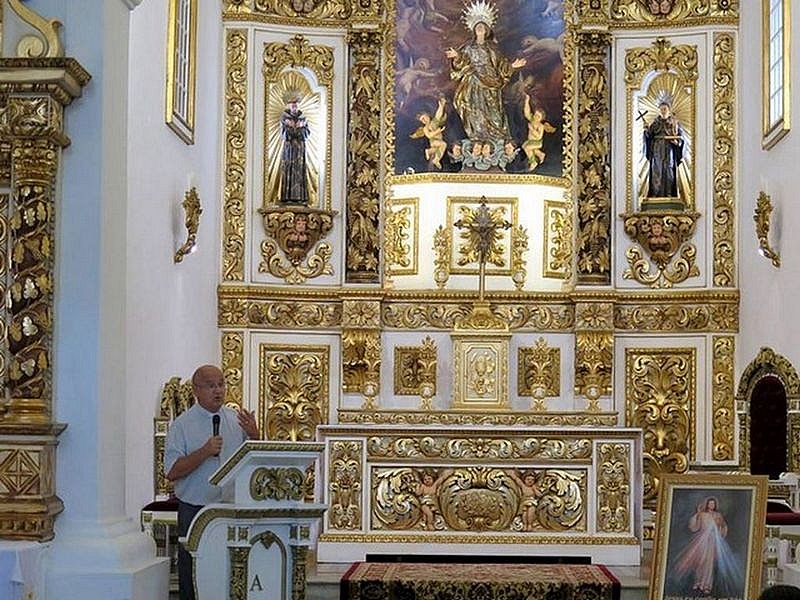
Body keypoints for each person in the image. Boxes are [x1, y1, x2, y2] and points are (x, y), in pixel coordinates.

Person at [165, 364, 259, 600]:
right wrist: (204, 452)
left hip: (230, 507)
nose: (218, 390)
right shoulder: (182, 425)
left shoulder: (235, 420)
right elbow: (172, 471)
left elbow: (256, 460)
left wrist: (255, 435)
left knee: (228, 568)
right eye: (211, 386)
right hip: (195, 508)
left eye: (221, 384)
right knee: (193, 570)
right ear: (196, 390)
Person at [445, 13, 525, 144]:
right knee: (474, 109)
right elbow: (461, 63)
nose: (480, 28)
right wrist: (457, 56)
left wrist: (512, 66)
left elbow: (500, 65)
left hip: (491, 82)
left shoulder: (492, 48)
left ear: (487, 30)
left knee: (494, 113)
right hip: (472, 82)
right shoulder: (468, 47)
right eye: (477, 26)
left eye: (482, 26)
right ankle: (477, 139)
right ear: (474, 30)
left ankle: (496, 140)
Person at [673, 496, 742, 596]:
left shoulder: (718, 515)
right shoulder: (702, 514)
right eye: (710, 503)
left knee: (708, 564)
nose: (711, 505)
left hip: (712, 541)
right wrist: (697, 513)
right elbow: (695, 527)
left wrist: (719, 532)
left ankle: (706, 585)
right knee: (700, 562)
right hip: (701, 540)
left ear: (715, 505)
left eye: (713, 504)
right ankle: (698, 583)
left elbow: (723, 527)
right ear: (707, 504)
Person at [644, 101, 684, 198]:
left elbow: (681, 137)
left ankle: (669, 193)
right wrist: (646, 130)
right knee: (657, 170)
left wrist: (677, 142)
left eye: (665, 109)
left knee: (669, 170)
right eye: (661, 109)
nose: (663, 111)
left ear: (669, 110)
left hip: (669, 149)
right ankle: (656, 193)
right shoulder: (655, 123)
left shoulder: (674, 123)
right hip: (657, 150)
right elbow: (649, 136)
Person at [279, 97, 310, 204]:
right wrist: (291, 128)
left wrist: (300, 128)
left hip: (300, 149)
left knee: (299, 170)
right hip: (290, 149)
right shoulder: (284, 119)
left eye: (296, 104)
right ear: (289, 105)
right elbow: (285, 135)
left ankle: (300, 196)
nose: (294, 106)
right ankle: (287, 197)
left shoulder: (303, 119)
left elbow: (306, 134)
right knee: (289, 168)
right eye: (292, 104)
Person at [409, 97, 448, 168]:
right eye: (422, 120)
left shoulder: (433, 123)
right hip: (434, 141)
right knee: (444, 144)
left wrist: (441, 106)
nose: (424, 121)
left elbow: (438, 115)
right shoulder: (425, 128)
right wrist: (438, 131)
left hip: (439, 140)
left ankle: (429, 152)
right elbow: (429, 135)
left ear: (427, 114)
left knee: (437, 149)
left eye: (424, 118)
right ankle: (436, 160)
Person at [522, 93, 556, 171]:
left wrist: (532, 129)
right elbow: (526, 113)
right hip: (531, 141)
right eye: (535, 115)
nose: (536, 117)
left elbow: (538, 136)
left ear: (541, 118)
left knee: (527, 148)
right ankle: (540, 154)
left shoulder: (541, 126)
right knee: (525, 146)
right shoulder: (532, 120)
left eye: (538, 116)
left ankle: (533, 162)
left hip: (537, 142)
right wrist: (527, 101)